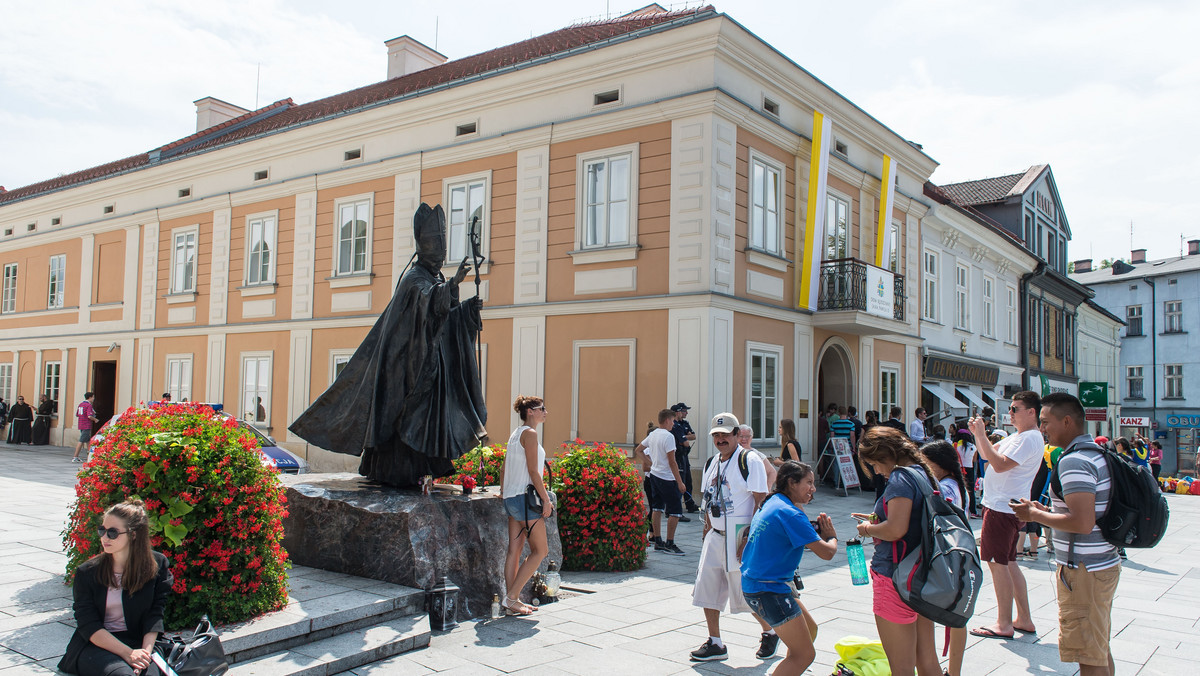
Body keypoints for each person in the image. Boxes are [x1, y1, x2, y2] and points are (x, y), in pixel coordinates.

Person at [1014, 393, 1120, 676]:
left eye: (1046, 422)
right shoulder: (1096, 453)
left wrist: (1034, 515)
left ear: (1067, 421)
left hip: (1084, 569)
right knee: (1097, 647)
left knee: (1089, 655)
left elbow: (1082, 522)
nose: (1042, 429)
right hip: (1100, 563)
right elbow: (1085, 511)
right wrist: (1046, 509)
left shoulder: (1074, 461)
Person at [852, 427, 941, 676]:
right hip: (923, 575)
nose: (877, 471)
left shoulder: (900, 478)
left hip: (895, 576)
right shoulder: (924, 473)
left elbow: (895, 530)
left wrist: (868, 529)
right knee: (927, 661)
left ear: (885, 455)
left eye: (874, 464)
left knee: (900, 668)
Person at [739, 461, 837, 676]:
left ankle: (790, 668)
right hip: (769, 590)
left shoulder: (773, 501)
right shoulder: (790, 513)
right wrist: (831, 536)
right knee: (804, 655)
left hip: (761, 584)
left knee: (809, 631)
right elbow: (827, 553)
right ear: (792, 483)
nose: (813, 489)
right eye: (808, 483)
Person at [690, 412, 772, 662]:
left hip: (739, 536)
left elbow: (761, 501)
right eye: (716, 435)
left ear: (737, 435)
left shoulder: (750, 461)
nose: (721, 439)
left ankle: (770, 632)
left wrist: (750, 537)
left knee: (745, 591)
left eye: (726, 434)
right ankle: (715, 642)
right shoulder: (711, 462)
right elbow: (707, 499)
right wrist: (706, 530)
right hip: (715, 534)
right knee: (707, 588)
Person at [58, 499, 173, 676]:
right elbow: (88, 625)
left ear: (133, 534)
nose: (104, 537)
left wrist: (145, 654)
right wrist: (128, 654)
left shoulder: (156, 565)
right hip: (97, 645)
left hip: (139, 641)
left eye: (112, 532)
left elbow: (155, 614)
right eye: (102, 530)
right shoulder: (87, 572)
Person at [967, 390, 1043, 640]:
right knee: (1009, 563)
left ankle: (1003, 623)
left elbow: (999, 464)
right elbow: (987, 454)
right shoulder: (1018, 436)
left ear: (1031, 412)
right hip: (1003, 505)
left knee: (997, 563)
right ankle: (1023, 618)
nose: (1009, 413)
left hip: (1002, 508)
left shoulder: (1029, 438)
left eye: (1015, 409)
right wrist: (979, 434)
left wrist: (980, 434)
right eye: (1010, 408)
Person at [919, 440, 970, 676]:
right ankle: (954, 670)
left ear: (941, 465)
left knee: (933, 615)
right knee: (957, 617)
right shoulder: (956, 485)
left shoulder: (945, 488)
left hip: (944, 558)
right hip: (958, 556)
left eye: (926, 464)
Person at [500, 395, 552, 616]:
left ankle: (511, 602)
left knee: (515, 550)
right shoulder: (530, 434)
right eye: (542, 409)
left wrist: (504, 491)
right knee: (541, 551)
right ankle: (512, 598)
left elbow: (504, 468)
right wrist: (546, 500)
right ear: (530, 411)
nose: (545, 412)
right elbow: (533, 471)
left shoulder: (515, 434)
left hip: (512, 498)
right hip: (525, 499)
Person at [635, 408, 687, 556]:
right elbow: (672, 462)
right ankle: (670, 542)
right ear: (666, 420)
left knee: (657, 508)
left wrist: (650, 463)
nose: (673, 424)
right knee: (676, 511)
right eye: (672, 421)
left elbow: (639, 450)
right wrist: (680, 482)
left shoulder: (653, 434)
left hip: (654, 476)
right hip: (666, 477)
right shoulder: (668, 436)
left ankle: (658, 540)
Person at [670, 403, 699, 513]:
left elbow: (693, 436)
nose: (686, 413)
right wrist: (683, 437)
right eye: (684, 411)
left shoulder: (684, 424)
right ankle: (674, 509)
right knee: (679, 482)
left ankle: (689, 504)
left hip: (684, 456)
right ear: (678, 412)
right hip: (677, 456)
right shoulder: (674, 425)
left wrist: (682, 436)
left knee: (688, 481)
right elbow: (685, 442)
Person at [739, 424, 777, 489]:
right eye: (741, 436)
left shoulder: (757, 454)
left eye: (747, 436)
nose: (744, 439)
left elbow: (772, 472)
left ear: (751, 437)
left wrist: (767, 487)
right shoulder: (732, 453)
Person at [73, 392, 99, 463]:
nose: (94, 399)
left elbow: (78, 414)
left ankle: (90, 455)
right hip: (86, 425)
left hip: (81, 424)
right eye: (93, 397)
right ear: (90, 397)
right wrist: (95, 420)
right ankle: (75, 456)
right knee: (81, 441)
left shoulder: (81, 404)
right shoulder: (88, 405)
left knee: (88, 440)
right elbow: (89, 416)